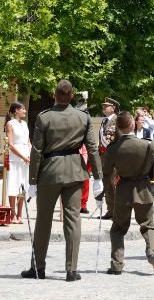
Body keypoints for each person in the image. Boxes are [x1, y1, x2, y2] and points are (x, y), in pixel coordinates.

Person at [22, 80, 103, 281]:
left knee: (43, 221)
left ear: (54, 95)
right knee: (73, 221)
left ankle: (38, 267)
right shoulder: (83, 117)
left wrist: (32, 179)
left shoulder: (44, 117)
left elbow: (37, 150)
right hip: (75, 171)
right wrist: (98, 177)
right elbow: (92, 149)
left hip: (50, 172)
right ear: (72, 96)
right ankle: (71, 270)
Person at [102, 111, 154, 275]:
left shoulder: (113, 148)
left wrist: (108, 197)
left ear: (118, 128)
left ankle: (117, 264)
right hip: (143, 188)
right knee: (148, 225)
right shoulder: (147, 145)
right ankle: (152, 253)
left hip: (123, 190)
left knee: (118, 229)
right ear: (133, 125)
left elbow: (106, 174)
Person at [5, 102, 30, 224]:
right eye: (23, 109)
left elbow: (28, 142)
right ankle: (13, 214)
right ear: (16, 111)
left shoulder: (25, 124)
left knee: (23, 186)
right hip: (15, 159)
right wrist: (22, 157)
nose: (25, 111)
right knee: (13, 186)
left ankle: (20, 214)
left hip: (26, 158)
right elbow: (10, 144)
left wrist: (30, 155)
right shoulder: (10, 124)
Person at [98, 98, 119, 219]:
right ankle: (110, 209)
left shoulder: (117, 120)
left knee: (112, 183)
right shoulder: (104, 120)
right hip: (104, 156)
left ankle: (116, 211)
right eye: (103, 106)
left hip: (113, 157)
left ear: (113, 108)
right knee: (106, 183)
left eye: (107, 106)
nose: (104, 107)